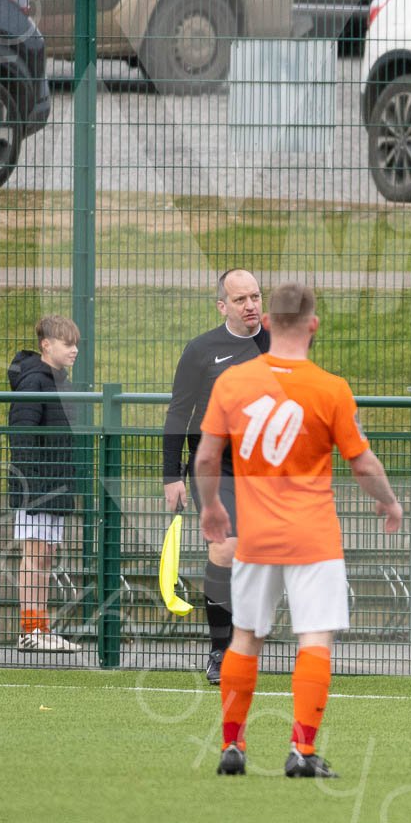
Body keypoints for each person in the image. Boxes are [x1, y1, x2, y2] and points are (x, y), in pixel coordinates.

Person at [195, 283, 403, 779]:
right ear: (313, 325)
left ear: (266, 323)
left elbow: (205, 456)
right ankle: (302, 752)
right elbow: (363, 462)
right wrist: (389, 502)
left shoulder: (233, 383)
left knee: (245, 636)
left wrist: (210, 509)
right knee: (314, 639)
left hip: (256, 535)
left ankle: (232, 746)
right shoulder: (330, 388)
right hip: (313, 537)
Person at [162, 268, 269, 685]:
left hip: (269, 472)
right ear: (222, 306)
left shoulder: (278, 345)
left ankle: (248, 645)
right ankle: (220, 651)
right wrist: (172, 475)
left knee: (260, 561)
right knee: (225, 553)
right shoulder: (201, 350)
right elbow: (178, 412)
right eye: (240, 300)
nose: (250, 306)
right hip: (216, 470)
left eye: (256, 297)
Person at [7, 314, 82, 654]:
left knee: (46, 557)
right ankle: (30, 629)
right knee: (34, 556)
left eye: (76, 344)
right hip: (36, 489)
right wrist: (32, 489)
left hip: (55, 487)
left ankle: (41, 627)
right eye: (68, 344)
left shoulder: (59, 382)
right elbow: (22, 438)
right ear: (46, 344)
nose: (74, 350)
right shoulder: (33, 381)